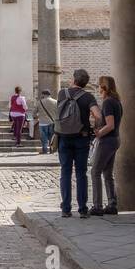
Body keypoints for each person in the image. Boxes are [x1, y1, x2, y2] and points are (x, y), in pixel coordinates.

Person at [55, 69, 98, 218]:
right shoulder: (88, 97)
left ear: (74, 79)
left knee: (65, 172)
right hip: (82, 137)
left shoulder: (62, 93)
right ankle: (82, 209)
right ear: (86, 83)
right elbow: (97, 115)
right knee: (81, 173)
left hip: (64, 137)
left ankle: (66, 209)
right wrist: (95, 125)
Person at [89, 76, 124, 217]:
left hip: (107, 140)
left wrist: (98, 133)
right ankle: (112, 204)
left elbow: (110, 125)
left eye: (99, 85)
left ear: (104, 87)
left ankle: (97, 206)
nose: (97, 88)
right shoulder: (117, 101)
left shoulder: (108, 102)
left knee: (95, 172)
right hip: (115, 139)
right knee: (107, 174)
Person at [38, 89, 58, 154]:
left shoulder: (40, 102)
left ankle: (45, 150)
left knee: (44, 138)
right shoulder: (55, 102)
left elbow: (34, 113)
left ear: (43, 94)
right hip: (52, 122)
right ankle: (52, 149)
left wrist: (35, 116)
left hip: (42, 123)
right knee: (51, 137)